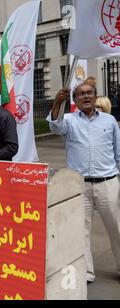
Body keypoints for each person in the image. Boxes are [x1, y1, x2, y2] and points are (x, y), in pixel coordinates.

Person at [47, 82, 120, 284]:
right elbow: (54, 126)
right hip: (79, 185)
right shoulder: (68, 120)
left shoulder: (109, 120)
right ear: (75, 99)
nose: (86, 97)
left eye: (89, 93)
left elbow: (118, 152)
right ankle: (86, 272)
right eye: (80, 94)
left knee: (117, 228)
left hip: (108, 183)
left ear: (95, 96)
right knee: (81, 231)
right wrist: (56, 103)